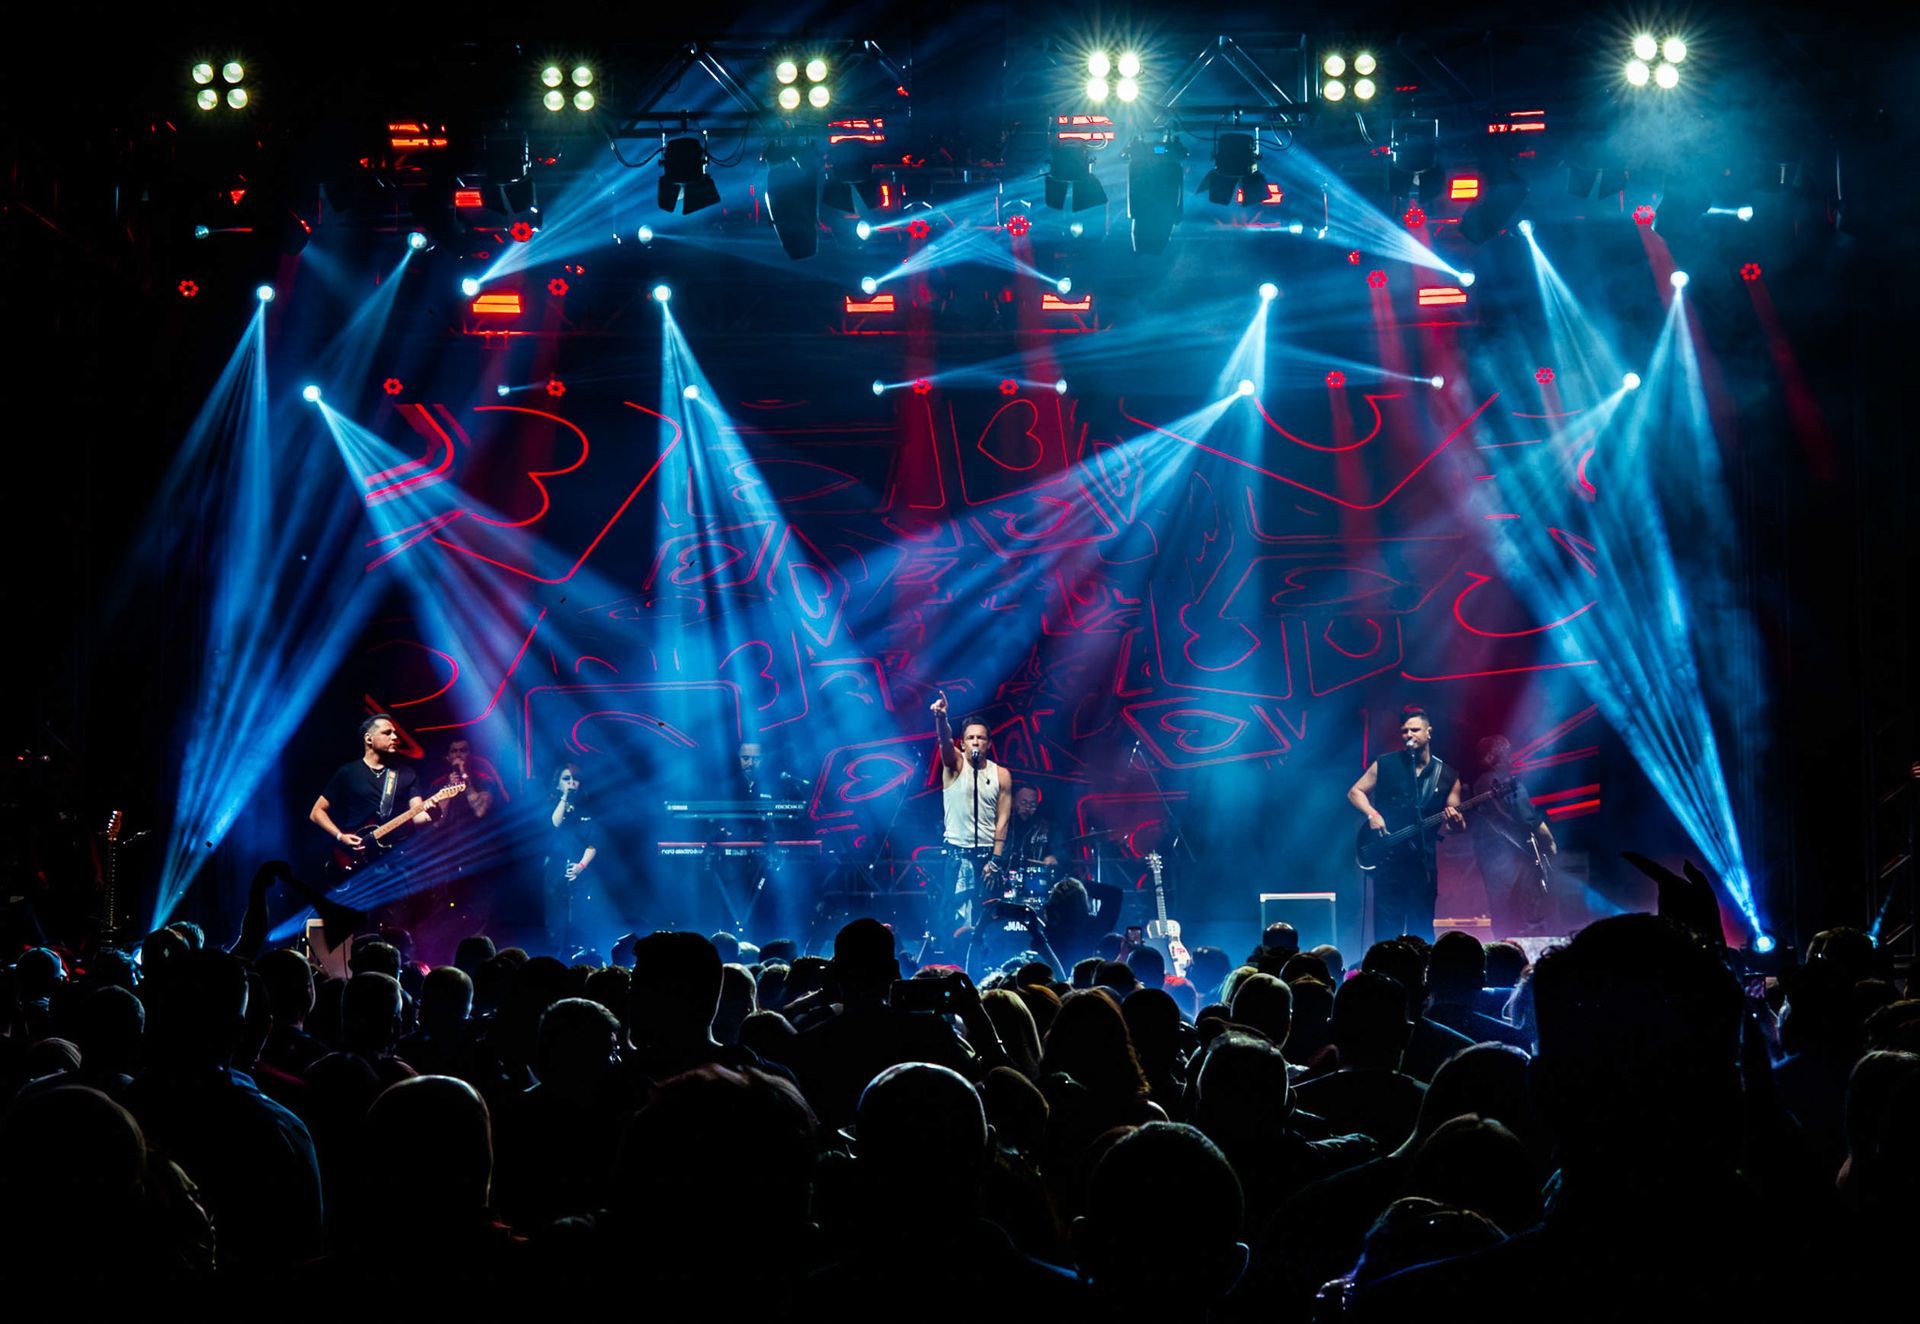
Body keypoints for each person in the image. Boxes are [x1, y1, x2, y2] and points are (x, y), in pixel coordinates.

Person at [1348, 710, 1465, 944]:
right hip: (1388, 860)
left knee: (1420, 927)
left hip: (1422, 864)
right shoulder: (1386, 763)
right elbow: (1355, 791)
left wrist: (1456, 821)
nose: (1408, 735)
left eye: (1414, 730)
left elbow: (1457, 826)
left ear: (1429, 732)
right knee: (1386, 929)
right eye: (1404, 731)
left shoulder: (1447, 775)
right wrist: (1372, 813)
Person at [930, 692, 1012, 937]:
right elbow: (944, 741)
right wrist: (941, 719)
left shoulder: (1001, 775)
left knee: (989, 920)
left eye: (981, 738)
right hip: (959, 857)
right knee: (957, 920)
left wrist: (995, 861)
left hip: (988, 858)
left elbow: (1003, 820)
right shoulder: (955, 764)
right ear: (963, 743)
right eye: (971, 738)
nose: (976, 742)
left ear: (988, 743)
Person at [310, 713, 431, 876]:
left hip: (397, 859)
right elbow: (316, 812)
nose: (395, 737)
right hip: (359, 861)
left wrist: (433, 810)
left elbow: (418, 815)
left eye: (395, 733)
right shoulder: (348, 773)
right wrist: (341, 837)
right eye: (387, 733)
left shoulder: (407, 774)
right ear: (369, 739)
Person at [1467, 736, 1556, 939]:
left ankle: (1504, 956)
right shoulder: (1506, 782)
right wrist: (1549, 843)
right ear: (1500, 756)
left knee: (1501, 914)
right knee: (1528, 915)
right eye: (1508, 754)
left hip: (1490, 857)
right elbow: (1528, 818)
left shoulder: (1479, 783)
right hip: (1516, 857)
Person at [541, 764, 597, 957]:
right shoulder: (551, 806)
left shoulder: (587, 810)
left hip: (580, 873)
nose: (571, 782)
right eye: (566, 779)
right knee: (556, 920)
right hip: (555, 873)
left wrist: (581, 866)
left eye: (574, 778)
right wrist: (565, 798)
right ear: (558, 784)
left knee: (582, 918)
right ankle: (556, 955)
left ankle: (582, 956)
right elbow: (554, 824)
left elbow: (592, 844)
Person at [1008, 786, 1061, 879]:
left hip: (1033, 879)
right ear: (1013, 801)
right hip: (1004, 876)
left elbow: (1061, 850)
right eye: (1024, 802)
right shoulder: (1004, 825)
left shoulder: (1046, 827)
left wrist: (1055, 857)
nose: (1028, 807)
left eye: (1033, 804)